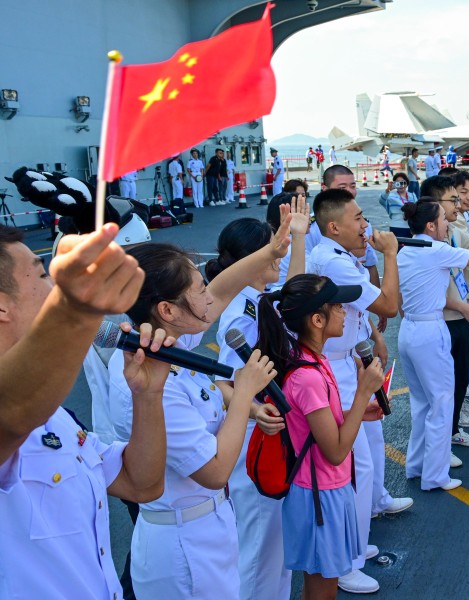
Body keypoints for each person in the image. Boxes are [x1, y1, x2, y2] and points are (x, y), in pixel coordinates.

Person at [0, 223, 167, 598]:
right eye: (44, 275)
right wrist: (77, 308)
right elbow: (1, 415)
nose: (53, 289)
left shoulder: (51, 414)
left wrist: (148, 394)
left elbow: (141, 483)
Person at [111, 226, 291, 599]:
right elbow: (213, 470)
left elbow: (224, 288)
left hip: (206, 525)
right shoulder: (144, 375)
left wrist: (272, 249)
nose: (208, 300)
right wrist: (244, 396)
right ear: (167, 309)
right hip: (182, 546)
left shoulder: (168, 339)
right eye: (198, 291)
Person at [254, 274, 382, 600]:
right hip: (319, 495)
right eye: (338, 306)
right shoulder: (308, 376)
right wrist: (364, 390)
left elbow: (323, 425)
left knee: (321, 585)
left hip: (327, 489)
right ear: (317, 319)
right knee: (322, 591)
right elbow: (336, 450)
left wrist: (358, 411)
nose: (345, 312)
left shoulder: (313, 359)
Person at [307, 189, 406, 595]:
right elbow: (388, 306)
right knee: (351, 468)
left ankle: (355, 544)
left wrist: (368, 344)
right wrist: (390, 254)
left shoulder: (342, 257)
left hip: (349, 361)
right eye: (359, 218)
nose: (366, 225)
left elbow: (362, 314)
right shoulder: (332, 261)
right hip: (335, 370)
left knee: (365, 458)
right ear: (334, 227)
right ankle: (344, 562)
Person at [209, 214, 307, 600]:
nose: (279, 253)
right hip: (254, 435)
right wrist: (254, 411)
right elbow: (229, 386)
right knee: (259, 546)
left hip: (270, 429)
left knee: (274, 545)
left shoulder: (259, 299)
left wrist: (297, 238)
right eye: (273, 245)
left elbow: (293, 289)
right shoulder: (240, 313)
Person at [396, 198, 469, 489]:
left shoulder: (405, 250)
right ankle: (435, 475)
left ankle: (417, 465)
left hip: (408, 330)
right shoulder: (434, 250)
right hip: (429, 330)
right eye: (443, 219)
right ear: (430, 224)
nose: (447, 223)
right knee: (440, 403)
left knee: (421, 403)